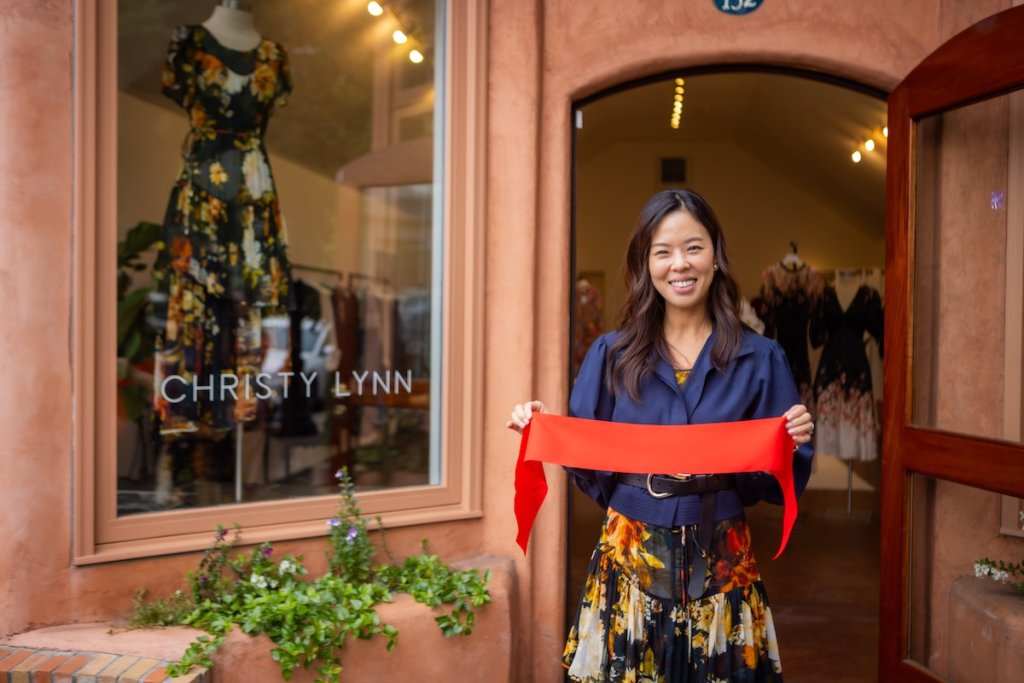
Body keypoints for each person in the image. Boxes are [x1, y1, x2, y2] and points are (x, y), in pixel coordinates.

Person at [507, 189, 814, 682]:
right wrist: (546, 429)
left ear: (716, 255)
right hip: (628, 559)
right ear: (645, 263)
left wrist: (790, 442)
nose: (680, 264)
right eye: (663, 251)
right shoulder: (611, 355)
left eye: (693, 247)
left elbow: (776, 486)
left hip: (723, 563)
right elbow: (589, 471)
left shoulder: (761, 358)